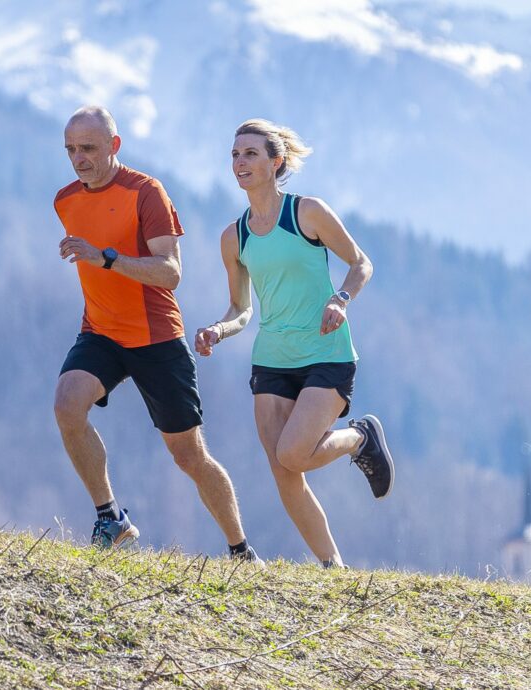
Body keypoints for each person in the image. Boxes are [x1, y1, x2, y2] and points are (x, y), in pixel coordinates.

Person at [53, 105, 261, 563]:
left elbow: (170, 273)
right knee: (68, 404)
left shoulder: (147, 193)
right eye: (70, 149)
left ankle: (240, 550)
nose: (78, 158)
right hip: (102, 332)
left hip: (156, 337)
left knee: (188, 455)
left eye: (88, 148)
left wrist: (105, 257)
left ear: (115, 146)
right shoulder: (65, 200)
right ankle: (110, 518)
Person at [194, 118, 394, 569]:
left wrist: (341, 300)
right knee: (284, 473)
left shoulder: (307, 213)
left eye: (250, 154)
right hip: (272, 360)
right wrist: (218, 330)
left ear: (276, 162)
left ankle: (359, 437)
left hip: (327, 352)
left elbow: (361, 263)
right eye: (234, 154)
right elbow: (240, 308)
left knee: (293, 454)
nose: (240, 162)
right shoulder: (235, 237)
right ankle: (334, 570)